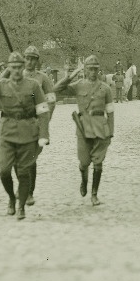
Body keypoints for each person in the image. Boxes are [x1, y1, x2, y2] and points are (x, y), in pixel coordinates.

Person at [0, 52, 51, 220]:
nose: (16, 70)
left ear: (23, 67)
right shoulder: (1, 85)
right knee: (4, 170)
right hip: (7, 133)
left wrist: (43, 134)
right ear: (8, 68)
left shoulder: (32, 87)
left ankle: (21, 206)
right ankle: (11, 197)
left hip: (27, 133)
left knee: (24, 172)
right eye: (13, 67)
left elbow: (42, 110)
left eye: (19, 67)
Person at [53, 55, 115, 205]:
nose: (93, 72)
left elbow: (110, 111)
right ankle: (83, 180)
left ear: (98, 70)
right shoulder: (78, 85)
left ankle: (94, 194)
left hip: (101, 127)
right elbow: (56, 90)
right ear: (85, 70)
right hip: (83, 127)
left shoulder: (105, 88)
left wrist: (110, 132)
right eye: (90, 69)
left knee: (98, 163)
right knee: (84, 162)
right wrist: (70, 76)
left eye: (95, 69)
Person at [20, 45, 57, 206]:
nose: (29, 62)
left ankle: (29, 192)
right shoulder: (17, 75)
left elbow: (51, 101)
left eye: (33, 59)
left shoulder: (43, 78)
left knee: (31, 158)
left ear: (37, 61)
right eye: (27, 58)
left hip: (36, 122)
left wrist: (45, 122)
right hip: (19, 123)